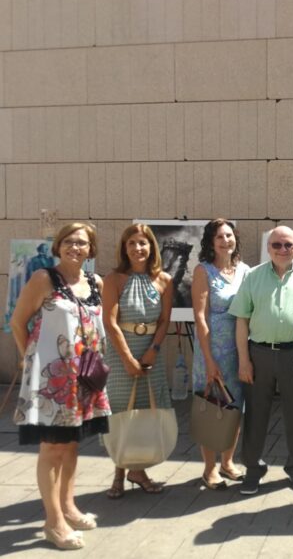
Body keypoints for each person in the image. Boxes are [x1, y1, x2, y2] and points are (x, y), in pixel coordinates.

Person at [10, 223, 110, 550]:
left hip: (83, 379)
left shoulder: (96, 282)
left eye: (82, 243)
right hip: (50, 379)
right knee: (51, 448)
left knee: (70, 445)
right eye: (68, 241)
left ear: (91, 249)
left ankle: (68, 506)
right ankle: (53, 522)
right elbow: (18, 320)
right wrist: (30, 358)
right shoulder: (44, 279)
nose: (75, 247)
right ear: (58, 245)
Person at [229, 226, 293, 495]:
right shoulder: (253, 277)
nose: (282, 250)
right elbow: (242, 319)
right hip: (259, 353)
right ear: (268, 248)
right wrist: (244, 361)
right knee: (255, 413)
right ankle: (253, 469)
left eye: (288, 245)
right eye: (277, 245)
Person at [102, 224, 174, 499]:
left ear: (151, 247)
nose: (137, 248)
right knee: (122, 414)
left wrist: (154, 350)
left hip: (150, 352)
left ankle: (138, 469)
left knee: (145, 411)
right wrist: (127, 358)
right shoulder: (114, 279)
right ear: (125, 248)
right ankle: (120, 474)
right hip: (122, 353)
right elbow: (110, 322)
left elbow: (165, 319)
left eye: (143, 243)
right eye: (132, 243)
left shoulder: (164, 279)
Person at [191, 219, 249, 489]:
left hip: (239, 349)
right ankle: (209, 468)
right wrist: (208, 359)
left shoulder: (246, 271)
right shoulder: (203, 271)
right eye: (219, 237)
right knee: (212, 407)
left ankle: (228, 462)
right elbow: (200, 317)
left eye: (229, 235)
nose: (225, 241)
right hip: (211, 349)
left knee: (235, 408)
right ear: (210, 242)